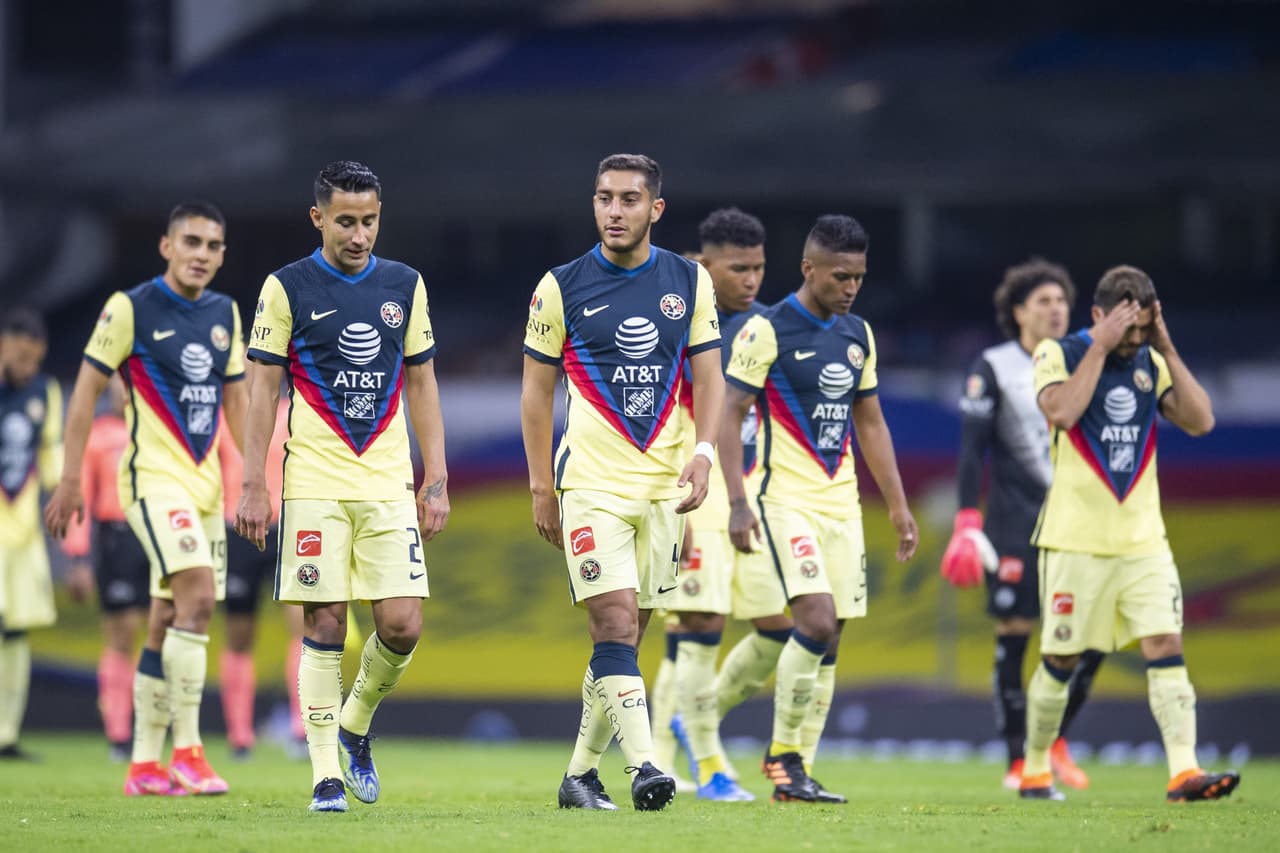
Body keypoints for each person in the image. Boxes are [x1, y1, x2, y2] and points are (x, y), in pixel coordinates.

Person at [235, 160, 449, 813]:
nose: (360, 235)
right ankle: (325, 774)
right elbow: (262, 386)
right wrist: (253, 481)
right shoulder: (286, 287)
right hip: (314, 478)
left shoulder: (404, 285)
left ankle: (354, 724)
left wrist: (434, 476)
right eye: (347, 221)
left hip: (385, 478)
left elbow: (420, 380)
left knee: (403, 623)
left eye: (370, 220)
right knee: (323, 620)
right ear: (318, 217)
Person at [521, 153, 724, 812]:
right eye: (604, 197)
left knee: (629, 634)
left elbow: (711, 378)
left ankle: (580, 775)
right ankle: (645, 766)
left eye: (629, 199)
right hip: (591, 485)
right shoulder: (560, 286)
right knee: (612, 623)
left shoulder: (690, 282)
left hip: (665, 487)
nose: (614, 210)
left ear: (655, 209)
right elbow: (534, 393)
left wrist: (704, 455)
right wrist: (540, 489)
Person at [45, 201, 247, 797]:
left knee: (167, 618)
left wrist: (253, 480)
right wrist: (70, 477)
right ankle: (187, 751)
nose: (201, 255)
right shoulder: (129, 308)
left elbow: (235, 402)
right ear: (166, 246)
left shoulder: (225, 313)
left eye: (212, 245)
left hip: (206, 487)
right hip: (153, 481)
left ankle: (142, 764)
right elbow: (84, 393)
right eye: (191, 242)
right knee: (199, 597)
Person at [1022, 265, 1239, 802]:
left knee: (1166, 644)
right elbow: (1062, 411)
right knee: (1061, 659)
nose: (1134, 339)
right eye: (1129, 328)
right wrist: (1099, 346)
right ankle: (1033, 769)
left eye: (1143, 329)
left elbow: (1201, 420)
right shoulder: (1058, 353)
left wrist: (1163, 342)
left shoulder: (1150, 359)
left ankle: (1184, 772)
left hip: (1143, 540)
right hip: (1074, 540)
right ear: (1098, 315)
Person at [720, 214, 918, 803]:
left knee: (833, 640)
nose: (850, 287)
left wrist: (899, 506)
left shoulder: (858, 334)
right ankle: (781, 756)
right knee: (814, 620)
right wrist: (737, 501)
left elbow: (872, 422)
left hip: (842, 505)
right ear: (809, 269)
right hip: (785, 502)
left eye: (858, 276)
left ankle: (797, 770)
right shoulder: (767, 330)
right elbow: (730, 415)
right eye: (840, 276)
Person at [940, 259, 1101, 790]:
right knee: (1015, 634)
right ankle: (1017, 759)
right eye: (1044, 302)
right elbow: (971, 451)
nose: (1056, 310)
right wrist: (968, 520)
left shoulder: (1085, 360)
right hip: (1015, 523)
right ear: (1019, 312)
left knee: (1095, 636)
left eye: (1061, 301)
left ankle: (1053, 737)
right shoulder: (994, 365)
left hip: (1080, 523)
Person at [664, 207, 779, 802]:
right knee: (699, 623)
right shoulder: (679, 318)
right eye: (739, 268)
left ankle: (694, 717)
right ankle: (710, 765)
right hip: (693, 486)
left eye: (759, 267)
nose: (752, 279)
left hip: (754, 492)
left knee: (782, 626)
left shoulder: (765, 325)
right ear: (706, 265)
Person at [62, 373, 151, 761]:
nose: (123, 391)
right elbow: (81, 494)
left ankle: (149, 727)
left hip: (153, 534)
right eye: (118, 383)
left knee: (158, 633)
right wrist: (78, 557)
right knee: (121, 633)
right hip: (115, 539)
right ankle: (118, 732)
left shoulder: (156, 432)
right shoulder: (98, 435)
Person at [217, 398, 304, 759]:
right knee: (238, 636)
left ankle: (302, 730)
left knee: (304, 627)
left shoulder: (295, 411)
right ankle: (240, 736)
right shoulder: (222, 415)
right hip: (235, 530)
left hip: (286, 525)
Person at [0, 309, 62, 760]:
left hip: (21, 533)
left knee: (17, 632)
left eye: (34, 359)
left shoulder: (47, 391)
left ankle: (6, 734)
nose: (28, 367)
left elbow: (52, 456)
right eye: (20, 357)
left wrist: (65, 495)